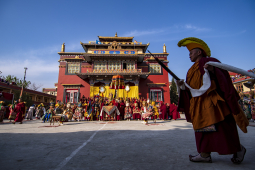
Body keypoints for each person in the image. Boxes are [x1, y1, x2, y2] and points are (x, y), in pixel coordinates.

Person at [176, 37, 248, 164]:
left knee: (222, 130)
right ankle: (204, 154)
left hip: (213, 104)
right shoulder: (191, 70)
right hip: (198, 105)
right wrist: (182, 85)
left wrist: (213, 70)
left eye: (191, 52)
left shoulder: (210, 62)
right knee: (201, 131)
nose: (189, 55)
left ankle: (238, 149)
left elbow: (223, 77)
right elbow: (191, 89)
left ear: (199, 52)